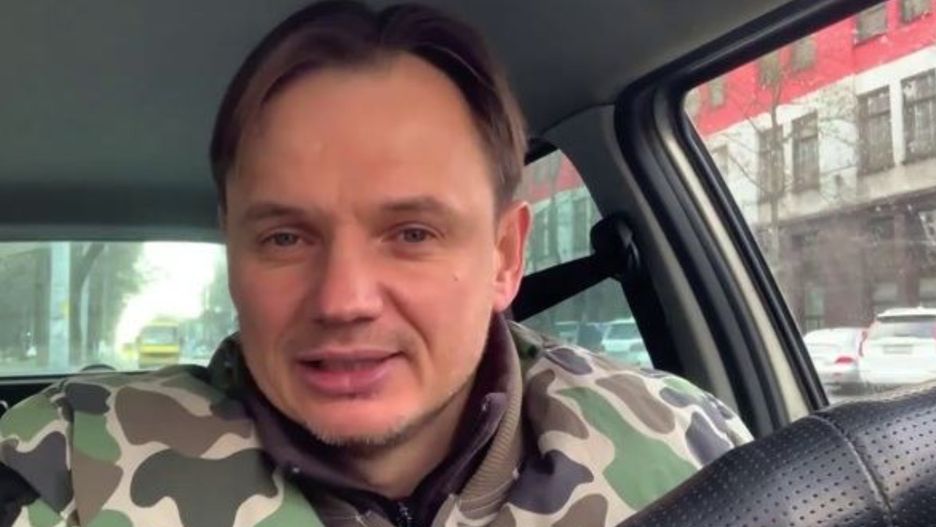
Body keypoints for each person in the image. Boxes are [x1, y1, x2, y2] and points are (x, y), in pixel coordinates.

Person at [0, 2, 751, 525]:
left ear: (504, 256)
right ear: (234, 257)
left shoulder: (685, 447)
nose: (343, 299)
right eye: (286, 238)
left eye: (412, 233)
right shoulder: (63, 470)